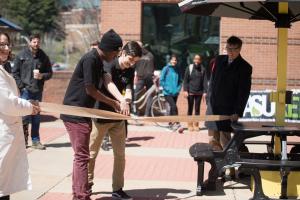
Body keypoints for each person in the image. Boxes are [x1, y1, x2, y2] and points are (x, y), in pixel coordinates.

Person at [60, 29, 123, 200]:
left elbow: (107, 80)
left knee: (81, 156)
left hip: (83, 113)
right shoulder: (90, 59)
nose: (116, 56)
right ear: (110, 49)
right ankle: (82, 196)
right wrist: (112, 103)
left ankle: (78, 194)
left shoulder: (99, 61)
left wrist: (120, 100)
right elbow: (90, 89)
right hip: (75, 113)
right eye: (117, 52)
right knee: (82, 157)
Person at [88, 41, 142, 200]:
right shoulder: (109, 65)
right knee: (91, 153)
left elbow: (129, 87)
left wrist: (129, 97)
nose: (131, 64)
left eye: (134, 62)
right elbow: (108, 83)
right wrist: (121, 100)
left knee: (120, 155)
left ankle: (117, 189)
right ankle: (87, 184)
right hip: (101, 116)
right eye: (130, 59)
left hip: (119, 119)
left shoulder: (130, 70)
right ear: (122, 53)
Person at [0, 32, 40, 200]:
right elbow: (8, 103)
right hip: (3, 133)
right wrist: (31, 107)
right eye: (2, 45)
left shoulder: (3, 68)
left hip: (7, 133)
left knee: (5, 186)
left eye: (7, 44)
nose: (7, 48)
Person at [205, 35, 252, 151]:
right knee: (212, 142)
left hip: (228, 110)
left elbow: (243, 92)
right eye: (228, 48)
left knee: (226, 142)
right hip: (213, 107)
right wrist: (208, 98)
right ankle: (216, 168)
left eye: (233, 49)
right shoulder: (219, 60)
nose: (230, 52)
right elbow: (212, 81)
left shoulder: (245, 67)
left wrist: (237, 111)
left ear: (239, 49)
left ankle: (229, 168)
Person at [12, 33, 53, 150]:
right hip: (25, 90)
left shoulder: (43, 56)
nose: (36, 44)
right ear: (30, 42)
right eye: (34, 42)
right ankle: (23, 141)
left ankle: (36, 141)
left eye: (38, 42)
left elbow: (50, 73)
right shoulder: (21, 55)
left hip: (37, 90)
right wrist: (21, 87)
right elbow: (15, 73)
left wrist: (42, 76)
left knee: (36, 117)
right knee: (24, 116)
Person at [183, 54, 207, 132]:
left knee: (197, 109)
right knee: (190, 109)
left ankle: (196, 125)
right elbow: (185, 80)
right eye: (195, 59)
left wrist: (205, 92)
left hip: (199, 92)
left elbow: (205, 81)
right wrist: (185, 90)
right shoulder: (189, 68)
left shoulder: (203, 69)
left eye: (198, 59)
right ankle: (189, 124)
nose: (197, 61)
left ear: (200, 60)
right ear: (193, 60)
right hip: (190, 92)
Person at [160, 54, 182, 130]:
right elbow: (161, 80)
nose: (174, 61)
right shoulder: (166, 68)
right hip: (167, 93)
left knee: (173, 108)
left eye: (175, 60)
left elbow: (180, 81)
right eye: (173, 60)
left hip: (175, 93)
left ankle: (171, 124)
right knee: (173, 106)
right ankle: (177, 123)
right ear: (170, 60)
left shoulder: (178, 69)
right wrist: (167, 89)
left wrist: (178, 90)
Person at [134, 42, 155, 116]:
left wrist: (136, 76)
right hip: (147, 78)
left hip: (141, 78)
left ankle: (137, 113)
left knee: (136, 95)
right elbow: (152, 67)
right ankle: (146, 114)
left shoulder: (137, 55)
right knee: (150, 96)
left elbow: (134, 66)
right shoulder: (150, 55)